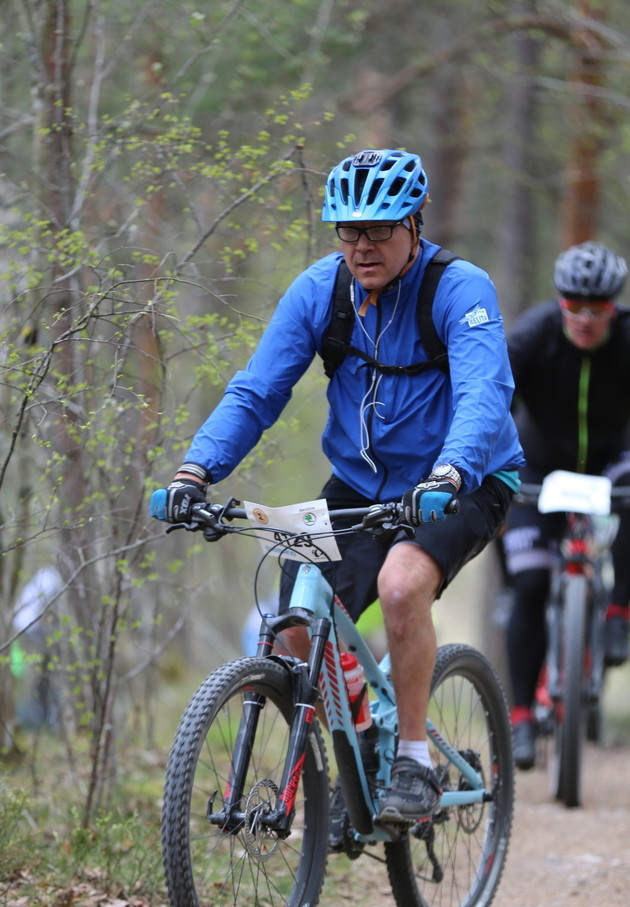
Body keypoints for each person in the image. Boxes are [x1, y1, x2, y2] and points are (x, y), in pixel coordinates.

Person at [151, 147, 524, 836]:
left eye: (380, 229)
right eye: (348, 230)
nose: (363, 245)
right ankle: (357, 726)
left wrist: (450, 472)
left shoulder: (459, 289)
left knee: (402, 583)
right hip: (357, 487)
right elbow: (257, 392)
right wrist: (194, 472)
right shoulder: (319, 293)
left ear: (415, 224)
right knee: (293, 623)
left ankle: (413, 756)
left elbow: (483, 394)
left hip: (463, 481)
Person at [502, 241, 630, 769]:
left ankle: (617, 609)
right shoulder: (535, 333)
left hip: (615, 453)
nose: (585, 320)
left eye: (598, 310)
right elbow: (492, 394)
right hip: (540, 462)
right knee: (529, 583)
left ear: (615, 307)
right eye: (574, 307)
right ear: (559, 302)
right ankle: (520, 716)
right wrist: (473, 460)